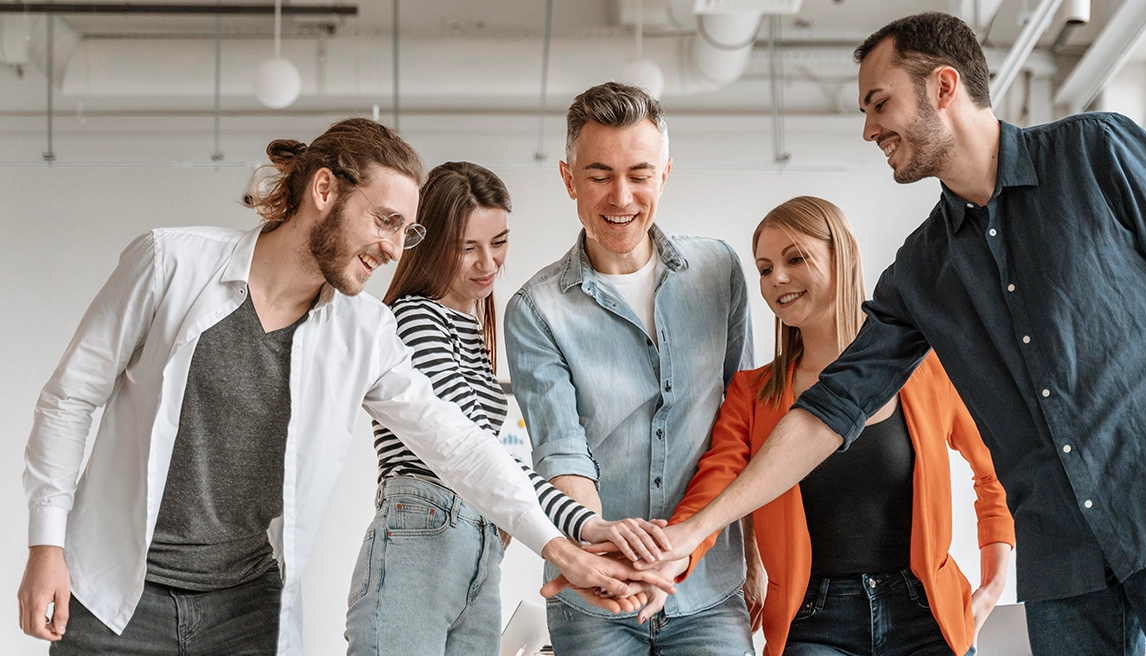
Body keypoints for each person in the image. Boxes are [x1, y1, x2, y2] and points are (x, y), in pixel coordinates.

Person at [641, 12, 1146, 656]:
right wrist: (693, 533)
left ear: (943, 86)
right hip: (1064, 566)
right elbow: (831, 409)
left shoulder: (1096, 152)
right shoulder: (920, 273)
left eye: (879, 103)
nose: (868, 129)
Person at [18, 118, 671, 656]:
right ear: (324, 190)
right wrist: (47, 544)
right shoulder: (170, 264)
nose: (394, 249)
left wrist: (566, 544)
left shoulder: (364, 329)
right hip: (115, 597)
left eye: (406, 231)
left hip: (246, 614)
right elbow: (72, 396)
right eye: (385, 221)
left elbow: (462, 448)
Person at [646, 195, 1014, 656]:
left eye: (795, 258)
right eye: (764, 268)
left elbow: (997, 466)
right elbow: (714, 490)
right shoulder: (752, 393)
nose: (776, 278)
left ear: (842, 257)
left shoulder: (923, 368)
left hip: (926, 614)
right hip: (813, 622)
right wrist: (670, 559)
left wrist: (995, 579)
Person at [345, 161, 671, 656]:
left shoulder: (470, 330)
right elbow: (472, 453)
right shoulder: (415, 317)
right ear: (431, 244)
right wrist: (581, 527)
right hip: (424, 530)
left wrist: (588, 526)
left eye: (498, 242)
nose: (488, 264)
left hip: (474, 537)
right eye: (468, 247)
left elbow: (490, 460)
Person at [505, 82, 757, 655]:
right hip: (597, 598)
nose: (621, 196)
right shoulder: (536, 309)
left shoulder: (719, 272)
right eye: (599, 175)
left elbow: (743, 426)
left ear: (665, 174)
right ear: (569, 179)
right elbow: (561, 452)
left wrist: (757, 561)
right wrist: (609, 561)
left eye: (639, 174)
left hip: (710, 591)